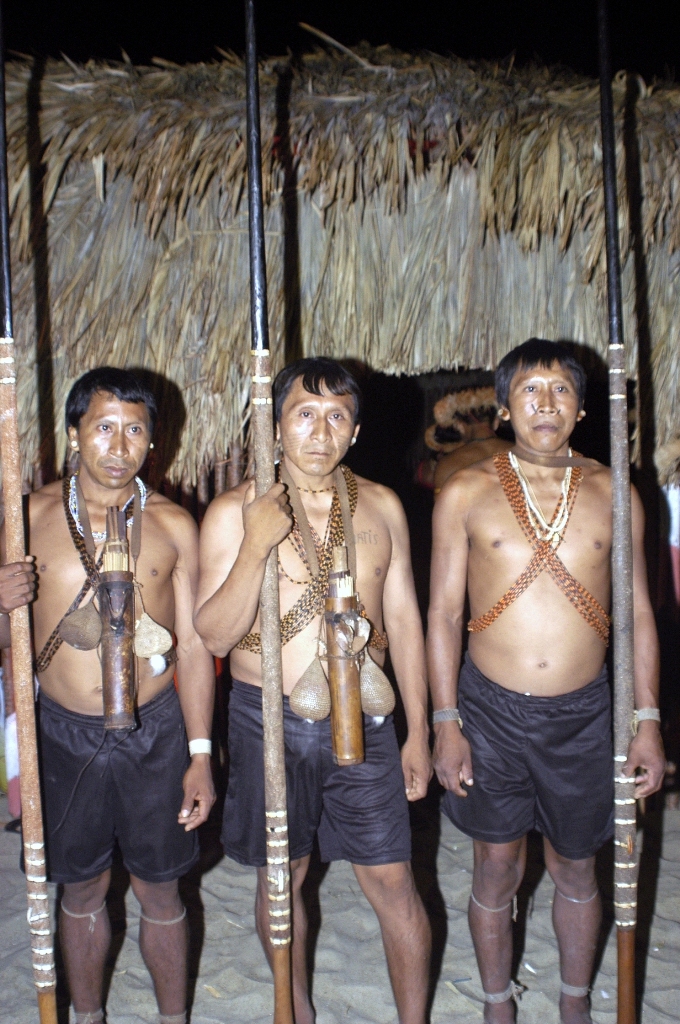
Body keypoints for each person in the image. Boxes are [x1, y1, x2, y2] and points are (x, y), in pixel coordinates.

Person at [427, 339, 665, 1024]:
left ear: (583, 407)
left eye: (561, 390)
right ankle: (498, 1003)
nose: (545, 403)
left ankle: (573, 1003)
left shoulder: (614, 493)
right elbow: (441, 613)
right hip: (489, 713)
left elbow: (641, 614)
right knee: (496, 866)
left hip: (587, 715)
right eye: (529, 389)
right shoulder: (466, 490)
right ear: (504, 406)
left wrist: (645, 719)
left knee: (573, 867)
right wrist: (446, 722)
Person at [195, 357, 431, 1024]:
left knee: (391, 878)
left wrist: (422, 729)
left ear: (355, 431)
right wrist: (253, 550)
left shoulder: (381, 506)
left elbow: (407, 621)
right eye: (304, 413)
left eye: (337, 416)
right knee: (285, 876)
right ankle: (290, 1012)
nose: (320, 431)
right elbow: (213, 636)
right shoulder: (234, 512)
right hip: (265, 719)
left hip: (367, 711)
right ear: (276, 424)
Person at [1, 367, 215, 1024]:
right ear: (73, 434)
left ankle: (173, 1018)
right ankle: (88, 1016)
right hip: (60, 732)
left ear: (154, 443)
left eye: (134, 431)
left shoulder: (175, 525)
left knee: (160, 888)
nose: (118, 446)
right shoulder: (26, 517)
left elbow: (195, 647)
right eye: (102, 427)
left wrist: (201, 753)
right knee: (82, 888)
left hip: (155, 730)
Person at [428, 386, 512, 495]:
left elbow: (443, 511)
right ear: (496, 422)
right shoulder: (523, 455)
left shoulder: (447, 465)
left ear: (460, 426)